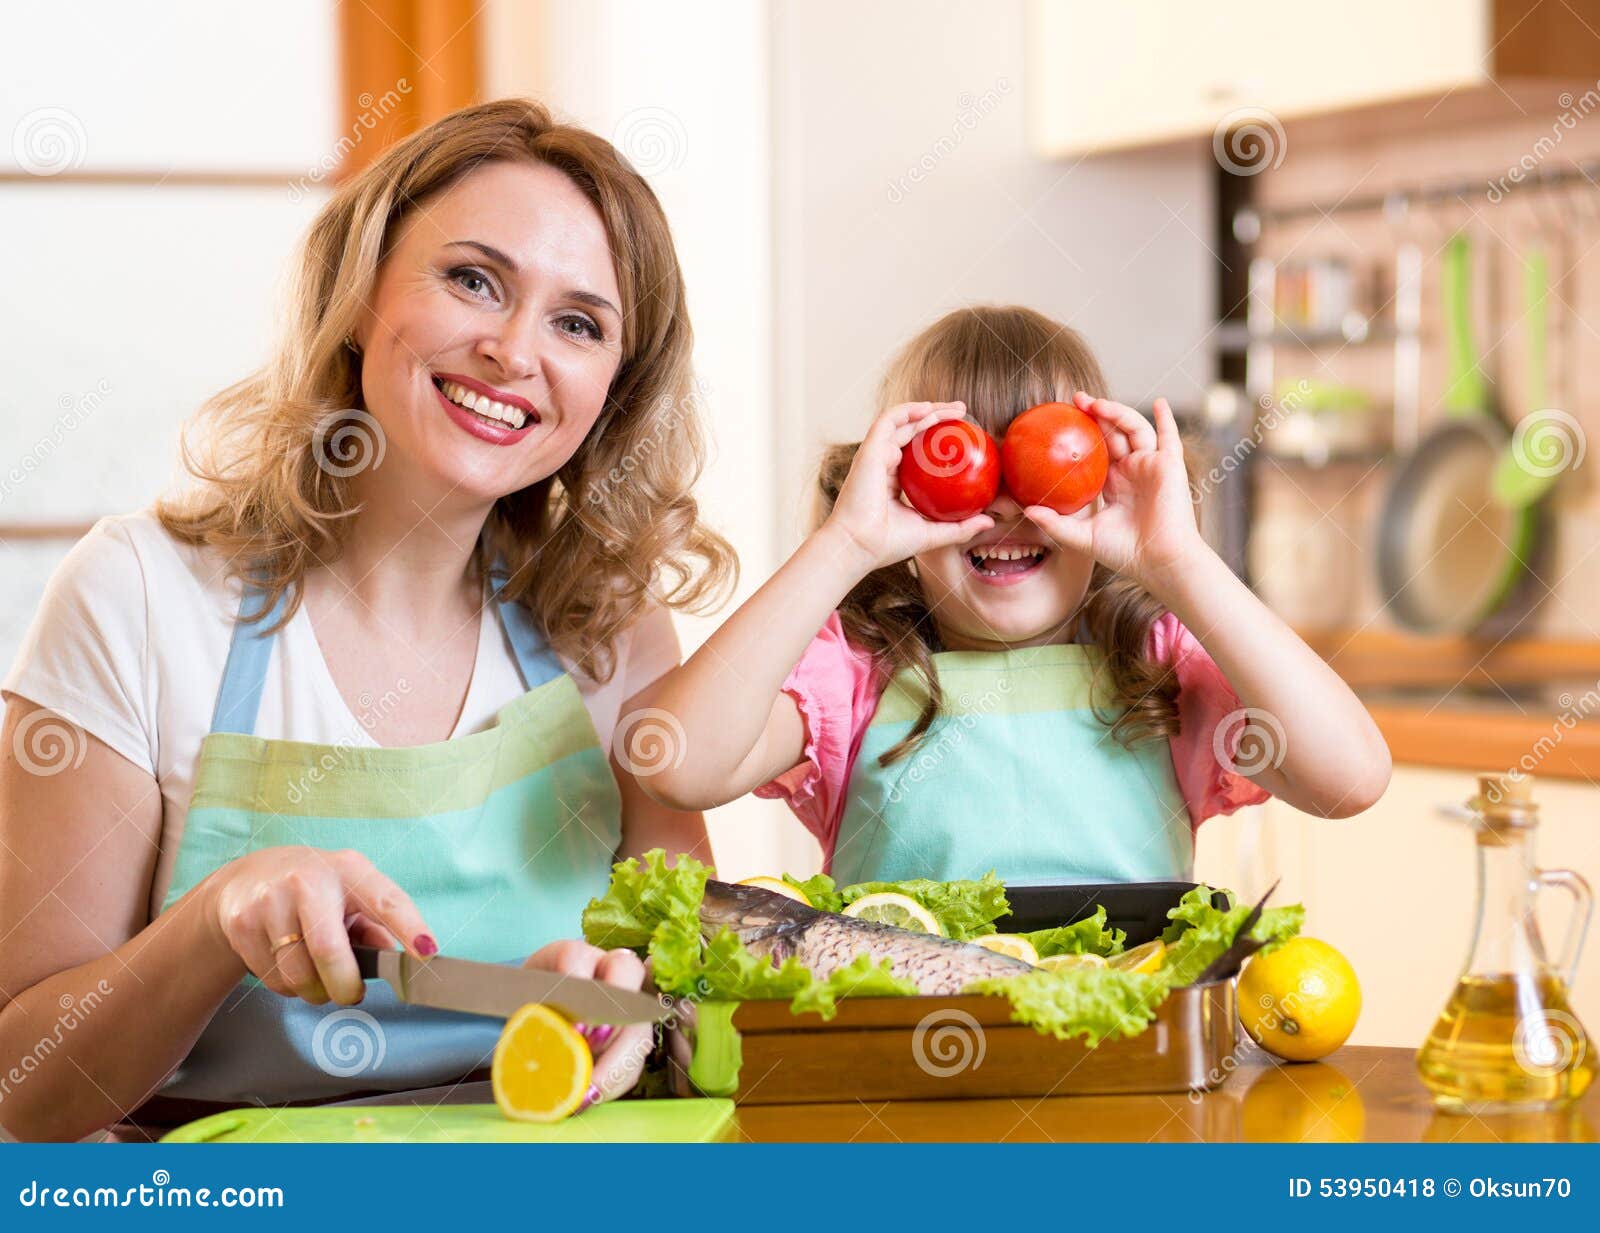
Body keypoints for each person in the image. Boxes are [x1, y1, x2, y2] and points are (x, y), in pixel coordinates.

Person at [0, 98, 734, 1140]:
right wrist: (216, 922)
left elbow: (700, 1007)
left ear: (611, 389)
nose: (514, 350)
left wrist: (621, 1010)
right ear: (358, 297)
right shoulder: (138, 597)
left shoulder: (609, 630)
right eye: (471, 279)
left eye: (578, 323)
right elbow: (23, 1091)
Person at [637, 305, 1390, 885]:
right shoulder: (854, 673)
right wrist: (846, 545)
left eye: (1046, 470)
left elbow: (1351, 780)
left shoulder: (1159, 667)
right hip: (902, 1065)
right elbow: (673, 762)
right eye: (959, 473)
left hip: (1127, 1070)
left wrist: (1180, 561)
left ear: (1101, 484)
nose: (1004, 510)